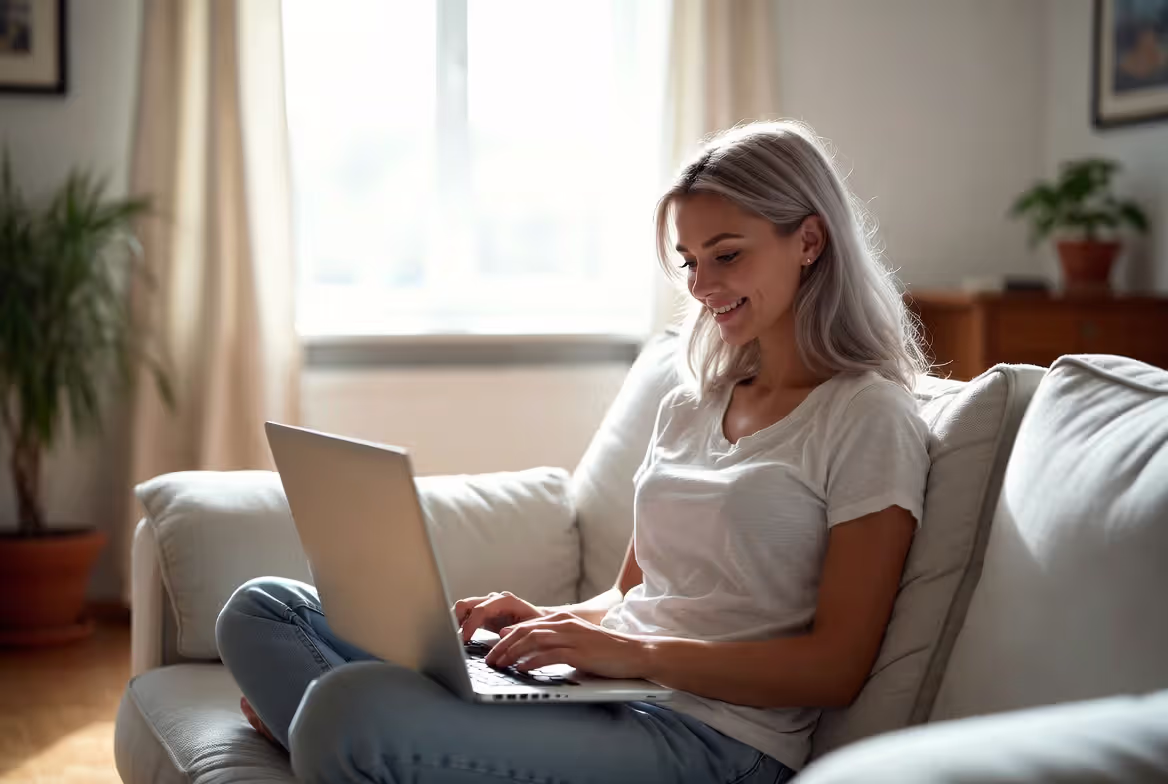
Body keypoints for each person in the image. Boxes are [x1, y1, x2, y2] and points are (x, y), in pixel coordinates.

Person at [216, 120, 931, 783]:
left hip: (716, 738)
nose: (702, 287)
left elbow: (835, 668)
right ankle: (346, 749)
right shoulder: (691, 403)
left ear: (809, 241)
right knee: (263, 610)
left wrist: (632, 655)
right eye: (688, 261)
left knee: (348, 706)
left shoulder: (867, 414)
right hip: (615, 692)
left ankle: (327, 738)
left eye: (727, 256)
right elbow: (630, 596)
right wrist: (546, 619)